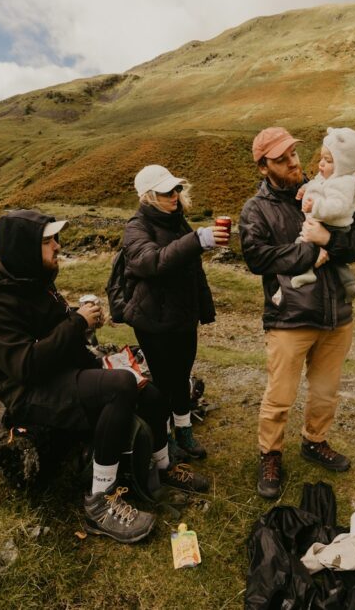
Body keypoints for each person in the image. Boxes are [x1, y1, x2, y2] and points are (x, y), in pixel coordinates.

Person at [0, 209, 173, 543]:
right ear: (23, 249)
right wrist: (78, 323)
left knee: (146, 390)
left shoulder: (35, 280)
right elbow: (27, 366)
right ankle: (100, 503)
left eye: (56, 239)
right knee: (120, 386)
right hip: (28, 392)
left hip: (62, 372)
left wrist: (86, 331)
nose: (58, 247)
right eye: (47, 242)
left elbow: (60, 334)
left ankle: (162, 468)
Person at [239, 127, 355, 499]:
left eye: (294, 154)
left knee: (325, 393)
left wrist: (330, 240)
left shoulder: (329, 187)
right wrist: (310, 254)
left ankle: (314, 441)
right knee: (280, 396)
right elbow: (258, 258)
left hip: (336, 314)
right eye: (281, 159)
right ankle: (270, 455)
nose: (294, 162)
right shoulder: (255, 209)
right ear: (264, 167)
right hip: (290, 316)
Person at [122, 165, 226, 488]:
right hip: (153, 321)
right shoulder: (136, 228)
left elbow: (193, 271)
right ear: (149, 196)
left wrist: (204, 308)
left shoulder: (176, 220)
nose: (175, 196)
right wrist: (197, 239)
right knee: (165, 382)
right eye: (168, 192)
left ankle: (184, 431)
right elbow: (152, 262)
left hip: (182, 317)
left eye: (177, 190)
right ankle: (164, 440)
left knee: (182, 375)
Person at [291, 126, 355, 302]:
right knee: (336, 260)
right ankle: (349, 285)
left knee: (300, 242)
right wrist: (305, 188)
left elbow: (338, 206)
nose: (321, 164)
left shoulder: (343, 183)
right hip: (332, 227)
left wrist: (315, 207)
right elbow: (317, 185)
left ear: (344, 163)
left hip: (332, 226)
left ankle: (307, 272)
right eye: (322, 158)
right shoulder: (330, 178)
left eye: (328, 160)